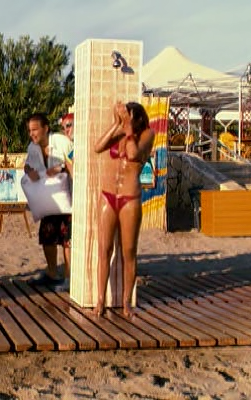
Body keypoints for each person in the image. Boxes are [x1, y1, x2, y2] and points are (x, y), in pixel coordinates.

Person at [93, 101, 155, 318]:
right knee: (104, 248)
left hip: (129, 197)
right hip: (108, 195)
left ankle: (126, 301)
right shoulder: (119, 132)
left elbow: (133, 155)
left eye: (129, 117)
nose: (125, 120)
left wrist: (128, 129)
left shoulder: (147, 135)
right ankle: (100, 300)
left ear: (138, 119)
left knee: (128, 251)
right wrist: (116, 125)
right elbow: (98, 147)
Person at [24, 113, 73, 288]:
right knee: (47, 236)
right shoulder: (32, 147)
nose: (32, 134)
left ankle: (69, 277)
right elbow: (27, 165)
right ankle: (52, 273)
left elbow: (76, 163)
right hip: (47, 197)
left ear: (46, 129)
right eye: (30, 130)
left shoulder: (62, 141)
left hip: (68, 196)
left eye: (35, 129)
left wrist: (61, 168)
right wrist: (29, 171)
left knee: (67, 238)